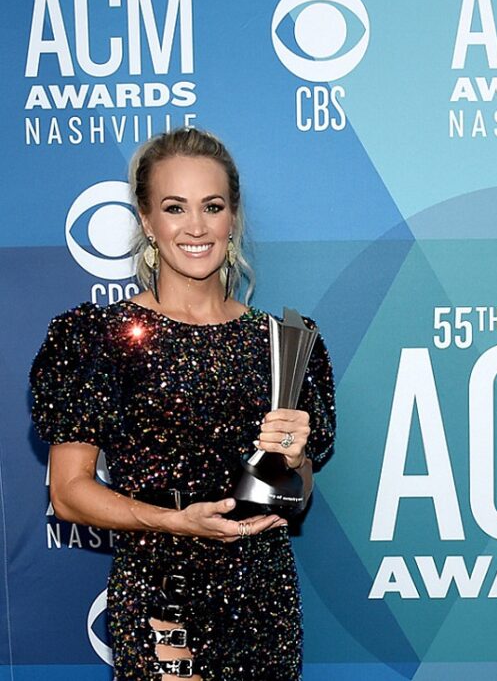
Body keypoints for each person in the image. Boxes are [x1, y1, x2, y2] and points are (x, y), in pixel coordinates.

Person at [30, 127, 336, 680]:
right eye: (175, 208)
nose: (196, 227)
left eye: (212, 207)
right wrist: (175, 522)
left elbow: (299, 492)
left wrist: (292, 464)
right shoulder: (100, 338)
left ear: (232, 218)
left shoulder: (282, 342)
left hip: (262, 600)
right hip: (161, 590)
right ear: (147, 221)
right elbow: (68, 493)